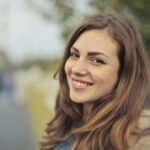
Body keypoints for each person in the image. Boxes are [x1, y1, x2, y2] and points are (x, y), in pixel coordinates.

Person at [41, 13, 150, 150]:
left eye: (97, 61)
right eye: (74, 55)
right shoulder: (67, 120)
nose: (77, 69)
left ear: (124, 73)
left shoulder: (140, 136)